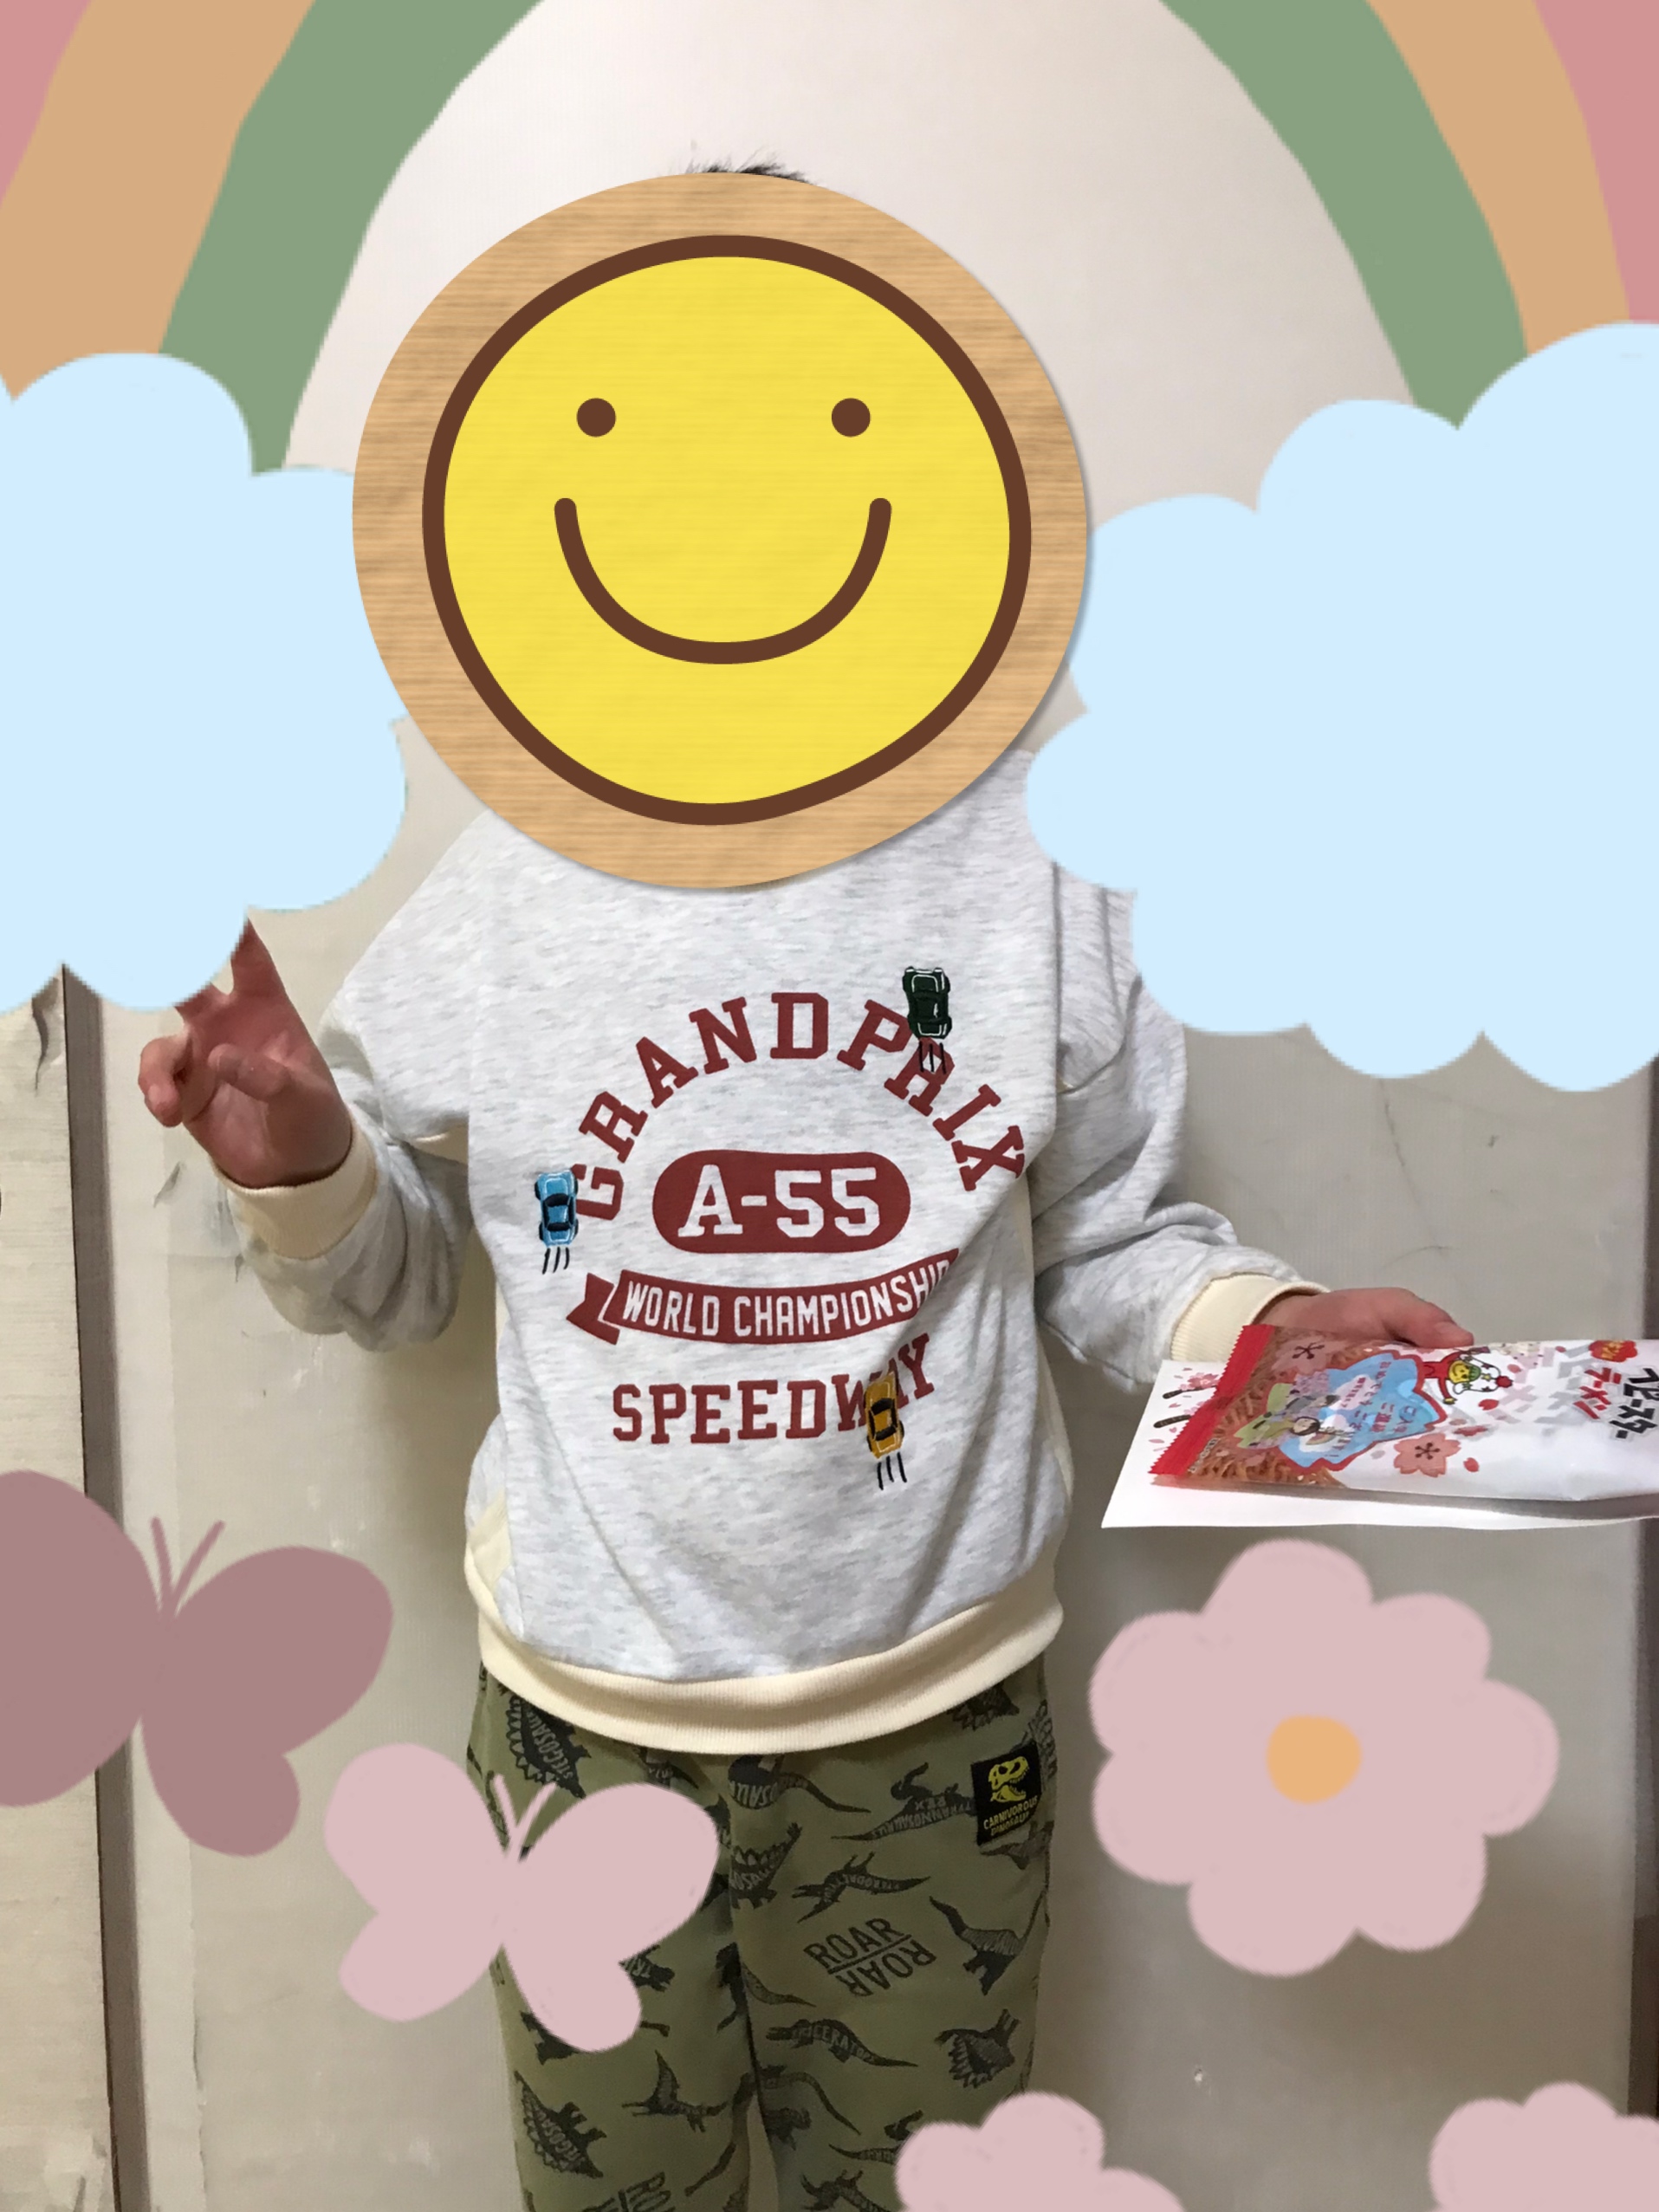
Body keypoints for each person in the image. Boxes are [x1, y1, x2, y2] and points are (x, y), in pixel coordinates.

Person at [137, 167, 1473, 2212]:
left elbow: (1104, 1235)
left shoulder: (1042, 869)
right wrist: (310, 1166)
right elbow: (405, 1286)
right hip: (582, 1732)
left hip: (936, 1730)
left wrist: (1262, 1335)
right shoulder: (501, 899)